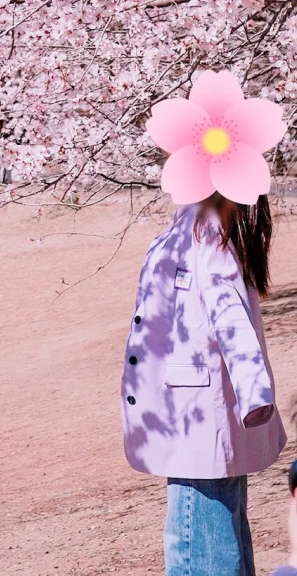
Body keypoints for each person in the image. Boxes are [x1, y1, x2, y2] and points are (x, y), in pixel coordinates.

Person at [124, 70, 288, 576]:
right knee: (218, 524)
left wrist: (256, 394)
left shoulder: (206, 240)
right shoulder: (199, 230)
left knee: (196, 536)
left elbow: (231, 322)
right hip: (195, 410)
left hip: (197, 414)